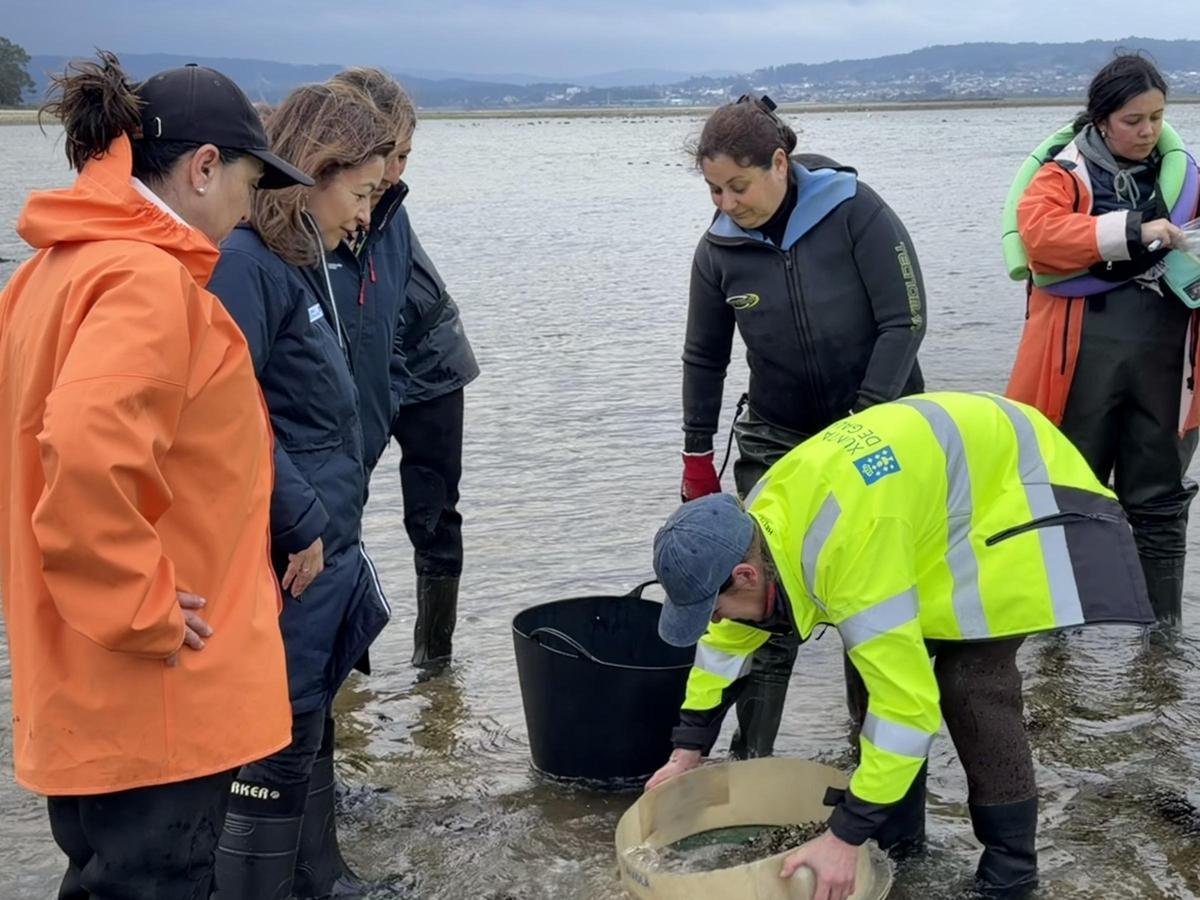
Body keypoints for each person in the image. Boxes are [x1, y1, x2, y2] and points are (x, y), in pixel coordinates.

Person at [0, 52, 311, 899]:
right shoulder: (146, 280)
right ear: (204, 167)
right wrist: (143, 607)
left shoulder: (48, 273)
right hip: (155, 691)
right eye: (250, 183)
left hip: (77, 679)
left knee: (104, 877)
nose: (248, 210)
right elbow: (85, 449)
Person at [647, 391, 1153, 899]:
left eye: (713, 608)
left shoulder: (849, 549)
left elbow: (907, 710)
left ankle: (1011, 873)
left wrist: (843, 837)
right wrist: (688, 749)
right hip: (924, 509)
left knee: (970, 684)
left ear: (745, 574)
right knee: (875, 670)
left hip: (1016, 491)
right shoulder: (751, 524)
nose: (716, 621)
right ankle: (901, 845)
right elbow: (727, 641)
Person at [678, 93, 927, 763]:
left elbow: (905, 320)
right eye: (714, 190)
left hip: (880, 426)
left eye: (738, 185)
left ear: (779, 164)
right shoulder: (719, 250)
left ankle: (869, 753)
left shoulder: (855, 211)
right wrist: (696, 454)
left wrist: (864, 422)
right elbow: (704, 356)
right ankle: (750, 762)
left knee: (870, 598)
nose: (727, 203)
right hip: (778, 437)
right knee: (760, 598)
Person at [205, 82, 395, 898]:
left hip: (328, 543)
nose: (365, 216)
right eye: (360, 194)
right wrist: (301, 519)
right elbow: (223, 410)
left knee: (312, 713)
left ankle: (322, 878)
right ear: (314, 171)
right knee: (277, 732)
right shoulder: (245, 267)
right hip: (290, 550)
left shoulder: (299, 262)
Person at [1007, 54, 1200, 628]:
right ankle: (1056, 634)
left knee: (1160, 501)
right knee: (1068, 496)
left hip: (1165, 364)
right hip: (1080, 366)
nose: (1147, 131)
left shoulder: (1186, 178)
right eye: (1132, 120)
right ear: (1101, 120)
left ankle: (1162, 641)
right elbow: (1039, 235)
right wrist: (1136, 229)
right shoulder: (1061, 174)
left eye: (1156, 118)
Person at [328, 67, 479, 671]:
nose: (395, 171)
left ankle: (435, 667)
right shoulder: (331, 196)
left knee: (434, 515)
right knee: (339, 508)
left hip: (432, 361)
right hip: (365, 364)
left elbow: (383, 311)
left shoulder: (388, 199)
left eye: (406, 156)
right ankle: (346, 668)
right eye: (389, 154)